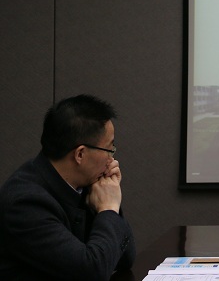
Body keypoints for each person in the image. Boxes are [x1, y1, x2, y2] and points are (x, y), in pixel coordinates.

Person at [0, 94, 135, 281]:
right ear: (80, 154)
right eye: (109, 149)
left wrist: (110, 203)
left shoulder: (84, 184)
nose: (112, 159)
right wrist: (109, 209)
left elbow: (125, 259)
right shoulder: (25, 203)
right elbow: (92, 272)